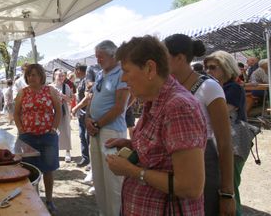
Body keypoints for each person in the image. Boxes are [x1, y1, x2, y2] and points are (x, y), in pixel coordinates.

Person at [105, 35, 207, 215]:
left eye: (127, 70)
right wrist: (132, 145)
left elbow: (190, 187)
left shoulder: (178, 107)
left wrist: (132, 171)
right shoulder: (154, 100)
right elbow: (165, 150)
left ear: (150, 68)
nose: (123, 79)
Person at [164, 34, 235, 216]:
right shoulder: (168, 87)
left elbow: (225, 142)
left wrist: (227, 193)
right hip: (173, 162)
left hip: (205, 162)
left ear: (179, 58)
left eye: (164, 57)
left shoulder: (209, 87)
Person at [85, 40, 130, 216]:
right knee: (98, 177)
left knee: (113, 181)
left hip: (111, 131)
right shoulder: (100, 74)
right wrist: (88, 118)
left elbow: (120, 107)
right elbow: (92, 99)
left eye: (100, 57)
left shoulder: (122, 73)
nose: (97, 60)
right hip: (97, 130)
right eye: (96, 56)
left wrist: (96, 124)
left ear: (114, 56)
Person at [14, 64, 62, 215]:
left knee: (48, 170)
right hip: (27, 137)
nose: (31, 77)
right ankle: (31, 200)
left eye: (35, 74)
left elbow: (59, 111)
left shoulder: (50, 90)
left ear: (42, 76)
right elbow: (16, 113)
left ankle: (49, 200)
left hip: (48, 137)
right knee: (28, 171)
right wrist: (22, 130)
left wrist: (53, 129)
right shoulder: (22, 92)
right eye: (29, 75)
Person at [204, 51, 248, 216]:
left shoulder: (233, 87)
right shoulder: (220, 87)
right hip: (225, 143)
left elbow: (221, 112)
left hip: (234, 142)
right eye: (207, 68)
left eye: (213, 68)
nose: (208, 71)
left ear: (226, 68)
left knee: (230, 188)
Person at [50, 68, 73, 163]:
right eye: (59, 75)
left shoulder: (66, 86)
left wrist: (62, 96)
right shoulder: (50, 87)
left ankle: (67, 152)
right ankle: (54, 152)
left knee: (66, 131)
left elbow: (70, 100)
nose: (60, 77)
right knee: (53, 131)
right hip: (52, 112)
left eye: (62, 75)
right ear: (54, 76)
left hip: (64, 111)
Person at [71, 64, 90, 168]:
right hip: (81, 114)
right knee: (82, 136)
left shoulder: (87, 80)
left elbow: (87, 99)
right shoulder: (81, 81)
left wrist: (76, 108)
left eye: (75, 70)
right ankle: (85, 158)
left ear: (78, 70)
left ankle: (90, 161)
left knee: (87, 137)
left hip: (86, 113)